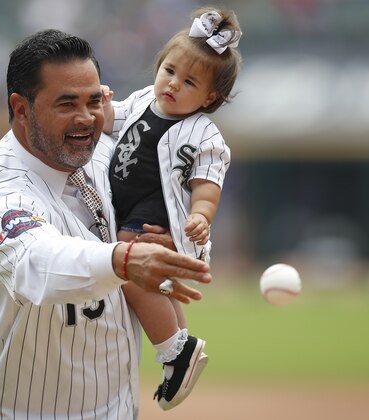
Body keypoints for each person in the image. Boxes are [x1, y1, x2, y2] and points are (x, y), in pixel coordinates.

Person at [0, 29, 212, 420]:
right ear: (21, 109)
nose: (86, 118)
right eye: (66, 104)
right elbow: (40, 265)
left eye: (93, 101)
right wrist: (124, 260)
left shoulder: (102, 149)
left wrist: (161, 233)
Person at [98, 7, 242, 410]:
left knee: (128, 269)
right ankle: (181, 347)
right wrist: (100, 104)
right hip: (128, 204)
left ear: (209, 97)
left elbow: (207, 185)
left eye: (190, 81)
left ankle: (173, 350)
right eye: (170, 71)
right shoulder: (144, 98)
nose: (174, 84)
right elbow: (113, 119)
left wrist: (202, 216)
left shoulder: (202, 133)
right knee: (150, 282)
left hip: (160, 213)